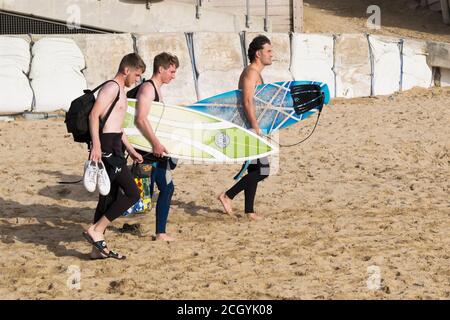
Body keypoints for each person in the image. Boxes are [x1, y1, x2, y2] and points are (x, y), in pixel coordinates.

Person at [82, 53, 145, 260]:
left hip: (116, 145)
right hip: (107, 147)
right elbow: (94, 115)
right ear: (127, 70)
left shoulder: (121, 91)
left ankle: (95, 248)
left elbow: (118, 127)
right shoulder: (111, 87)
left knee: (107, 197)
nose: (137, 79)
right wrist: (97, 146)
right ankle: (97, 229)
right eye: (136, 75)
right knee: (132, 193)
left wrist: (131, 150)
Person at [218, 35, 273, 221]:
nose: (271, 55)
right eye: (268, 51)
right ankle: (227, 195)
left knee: (255, 169)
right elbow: (247, 100)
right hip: (248, 127)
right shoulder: (250, 72)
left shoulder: (257, 73)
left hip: (254, 126)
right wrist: (255, 127)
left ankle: (249, 211)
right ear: (258, 53)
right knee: (263, 170)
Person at [135, 52, 179, 241]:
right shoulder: (148, 89)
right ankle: (99, 224)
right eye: (171, 71)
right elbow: (141, 119)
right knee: (138, 196)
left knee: (166, 188)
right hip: (148, 150)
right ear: (160, 69)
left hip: (155, 151)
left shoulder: (157, 89)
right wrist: (156, 144)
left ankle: (161, 232)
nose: (173, 75)